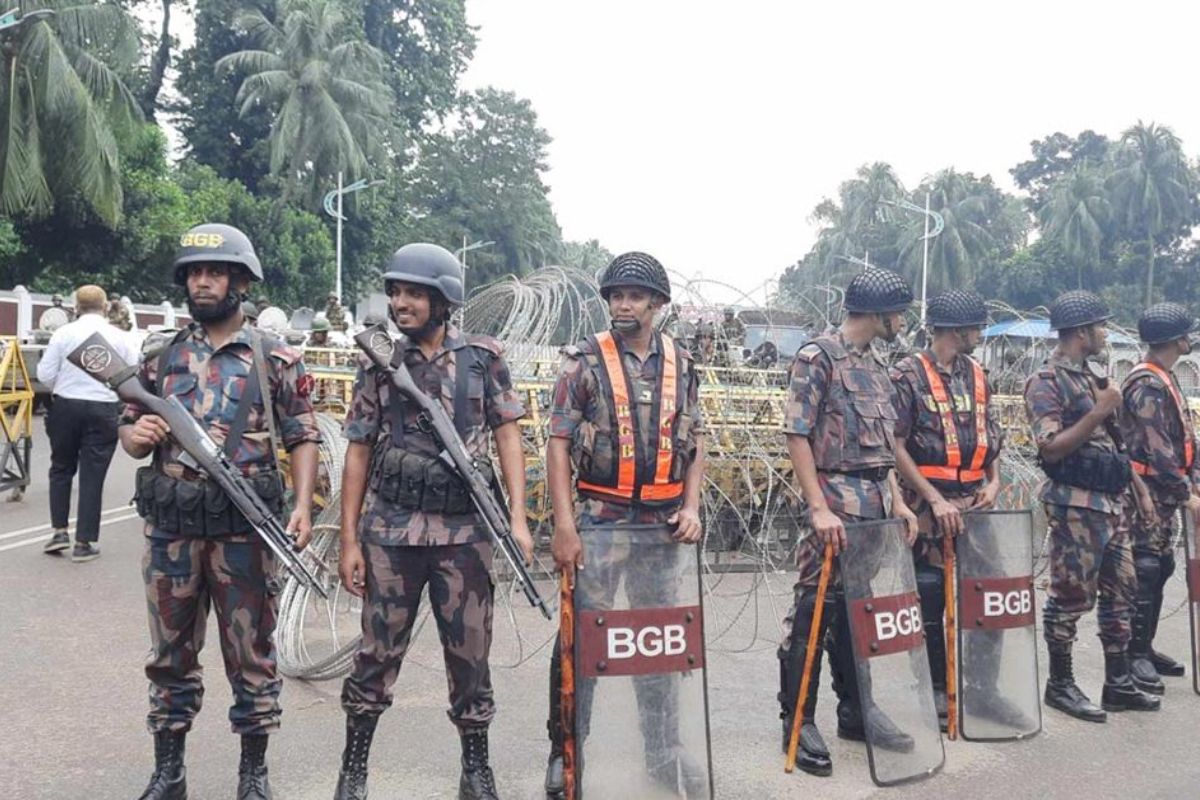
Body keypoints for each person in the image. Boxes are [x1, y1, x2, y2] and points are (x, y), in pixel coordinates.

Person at [119, 223, 322, 800]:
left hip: (244, 535)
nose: (202, 283)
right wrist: (136, 436)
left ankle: (253, 776)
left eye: (215, 273)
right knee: (169, 656)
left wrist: (303, 506)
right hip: (173, 531)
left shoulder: (274, 357)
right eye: (194, 274)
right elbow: (129, 428)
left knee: (252, 656)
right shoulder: (161, 355)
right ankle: (169, 773)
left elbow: (303, 435)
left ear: (241, 282)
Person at [333, 243, 533, 800]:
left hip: (464, 534)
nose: (401, 303)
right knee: (376, 654)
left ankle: (476, 770)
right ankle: (354, 771)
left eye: (414, 294)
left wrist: (518, 519)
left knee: (470, 655)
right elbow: (358, 450)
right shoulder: (379, 361)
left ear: (443, 301)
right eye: (396, 292)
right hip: (391, 533)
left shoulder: (482, 359)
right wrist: (348, 540)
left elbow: (508, 436)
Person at [542, 251, 706, 798]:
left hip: (661, 527)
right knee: (579, 638)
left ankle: (663, 752)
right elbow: (558, 443)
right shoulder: (584, 361)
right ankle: (566, 751)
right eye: (616, 296)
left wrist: (692, 506)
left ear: (657, 304)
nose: (623, 305)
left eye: (635, 296)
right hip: (601, 520)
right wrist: (565, 526)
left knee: (657, 640)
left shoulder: (682, 363)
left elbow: (696, 439)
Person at [777, 267, 919, 777]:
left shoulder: (877, 366)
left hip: (873, 509)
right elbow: (797, 433)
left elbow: (884, 449)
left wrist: (898, 502)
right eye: (899, 312)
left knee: (857, 611)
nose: (902, 321)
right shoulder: (819, 357)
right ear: (879, 313)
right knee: (813, 610)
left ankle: (858, 710)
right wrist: (818, 507)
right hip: (835, 503)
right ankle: (798, 720)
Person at [1024, 290, 1159, 722]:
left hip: (1111, 502)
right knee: (1070, 595)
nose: (1105, 332)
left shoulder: (1093, 377)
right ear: (1081, 332)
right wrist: (1099, 411)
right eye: (1100, 326)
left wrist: (1139, 488)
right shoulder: (1047, 381)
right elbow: (1050, 448)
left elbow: (1114, 444)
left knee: (1122, 591)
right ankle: (1060, 684)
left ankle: (1117, 682)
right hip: (1075, 505)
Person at [889, 290, 1010, 727]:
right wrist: (934, 499)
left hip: (975, 504)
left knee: (991, 596)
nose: (980, 334)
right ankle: (937, 689)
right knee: (929, 598)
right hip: (928, 506)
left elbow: (989, 435)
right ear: (957, 330)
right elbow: (895, 444)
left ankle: (983, 691)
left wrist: (994, 481)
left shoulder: (977, 374)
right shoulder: (907, 376)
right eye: (977, 327)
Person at [1118, 302, 1200, 692]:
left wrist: (1194, 479)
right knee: (1145, 569)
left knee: (1162, 565)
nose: (1190, 338)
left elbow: (1184, 438)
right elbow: (1158, 448)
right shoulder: (1146, 384)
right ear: (1173, 339)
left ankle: (1145, 646)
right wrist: (1186, 493)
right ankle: (1133, 653)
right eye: (1186, 333)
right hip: (1145, 493)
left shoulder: (1165, 378)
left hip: (1165, 491)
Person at [37, 284, 138, 561]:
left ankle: (59, 532)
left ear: (76, 307)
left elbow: (45, 374)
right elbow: (131, 374)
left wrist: (66, 386)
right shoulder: (120, 336)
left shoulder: (62, 334)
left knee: (60, 468)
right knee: (93, 475)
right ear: (105, 307)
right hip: (104, 408)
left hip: (66, 406)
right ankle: (84, 543)